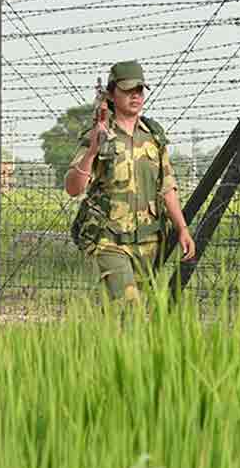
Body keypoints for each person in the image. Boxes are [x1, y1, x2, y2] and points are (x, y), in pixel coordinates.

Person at [65, 60, 196, 303]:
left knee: (126, 321)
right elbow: (73, 188)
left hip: (148, 243)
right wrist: (93, 150)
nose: (135, 96)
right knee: (129, 309)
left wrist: (182, 229)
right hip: (109, 240)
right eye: (127, 90)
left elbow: (167, 187)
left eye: (140, 90)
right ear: (112, 94)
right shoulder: (99, 135)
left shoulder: (153, 135)